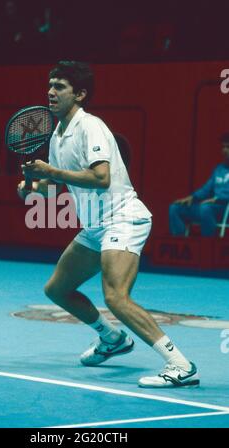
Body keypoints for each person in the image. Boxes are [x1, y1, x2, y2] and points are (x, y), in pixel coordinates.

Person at [17, 61, 199, 388]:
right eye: (50, 84)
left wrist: (52, 173)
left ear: (80, 94)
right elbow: (57, 185)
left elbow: (100, 179)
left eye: (60, 86)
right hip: (96, 226)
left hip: (123, 217)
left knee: (116, 297)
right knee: (57, 289)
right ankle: (112, 338)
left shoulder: (91, 127)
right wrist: (32, 188)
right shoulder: (58, 134)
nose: (50, 91)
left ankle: (180, 364)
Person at [169, 134, 229, 237]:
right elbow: (206, 189)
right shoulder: (218, 169)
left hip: (224, 209)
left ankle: (206, 246)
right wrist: (192, 197)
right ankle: (179, 243)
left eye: (228, 147)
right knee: (175, 208)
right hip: (210, 208)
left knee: (206, 208)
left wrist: (218, 199)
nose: (224, 150)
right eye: (223, 147)